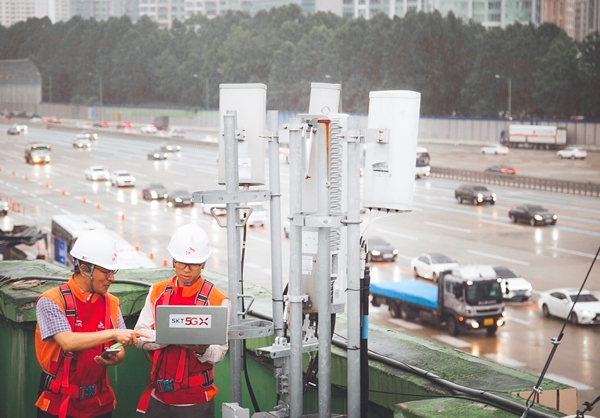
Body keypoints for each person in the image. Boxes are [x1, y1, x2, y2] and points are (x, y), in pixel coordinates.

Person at [35, 230, 147, 418]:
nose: (112, 278)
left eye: (113, 271)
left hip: (98, 403)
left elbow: (118, 349)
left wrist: (116, 356)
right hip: (58, 403)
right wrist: (113, 334)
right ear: (85, 268)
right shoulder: (52, 301)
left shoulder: (111, 303)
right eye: (106, 271)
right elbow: (67, 342)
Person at [134, 223, 229, 418]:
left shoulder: (218, 301)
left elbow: (219, 353)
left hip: (196, 400)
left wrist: (201, 349)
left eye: (193, 264)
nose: (186, 270)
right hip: (159, 395)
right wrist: (169, 335)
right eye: (181, 263)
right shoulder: (157, 292)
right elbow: (138, 336)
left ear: (203, 263)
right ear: (173, 260)